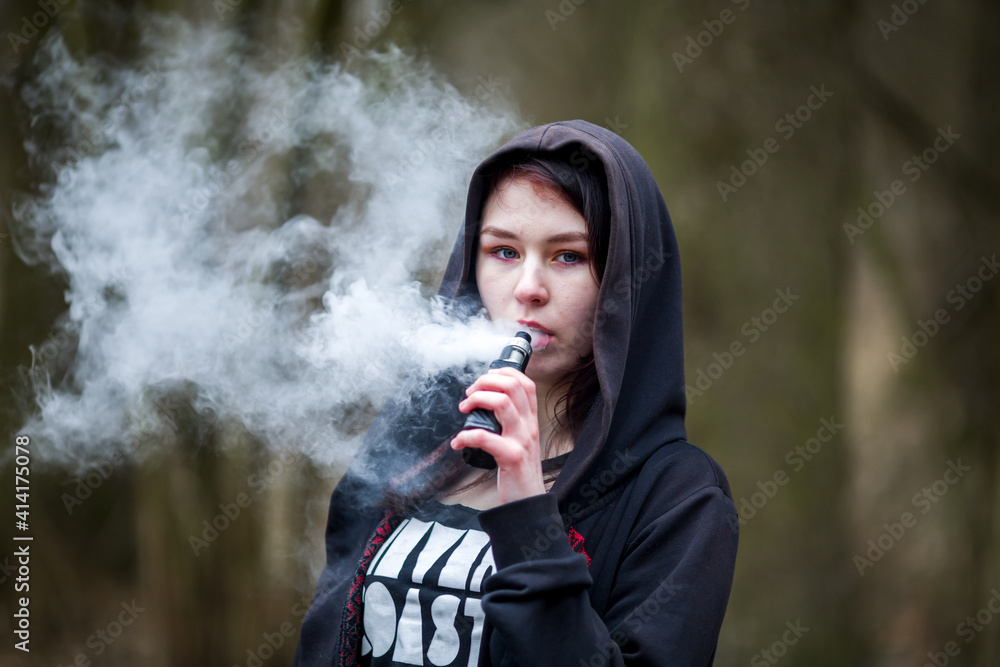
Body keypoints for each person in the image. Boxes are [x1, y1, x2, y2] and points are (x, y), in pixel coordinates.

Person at [294, 120, 738, 667]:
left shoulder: (679, 497)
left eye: (568, 256)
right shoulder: (408, 449)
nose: (528, 288)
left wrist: (529, 510)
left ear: (624, 282)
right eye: (504, 252)